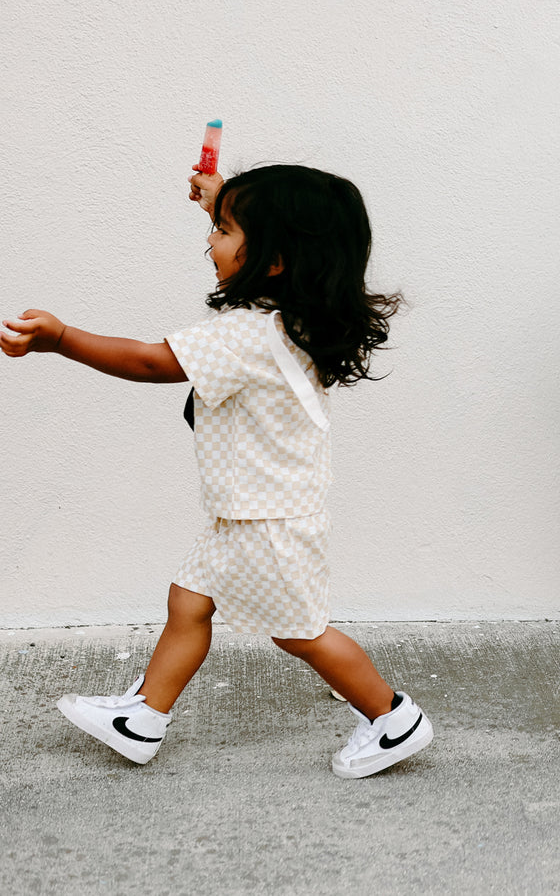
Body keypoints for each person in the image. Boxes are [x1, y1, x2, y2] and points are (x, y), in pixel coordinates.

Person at [1, 163, 432, 778]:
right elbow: (268, 243)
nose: (210, 241)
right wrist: (219, 199)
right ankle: (143, 718)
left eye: (225, 230)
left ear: (275, 259)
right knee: (189, 602)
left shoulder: (247, 333)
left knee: (299, 633)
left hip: (264, 516)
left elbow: (153, 364)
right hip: (252, 508)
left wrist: (62, 338)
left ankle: (393, 719)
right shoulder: (291, 310)